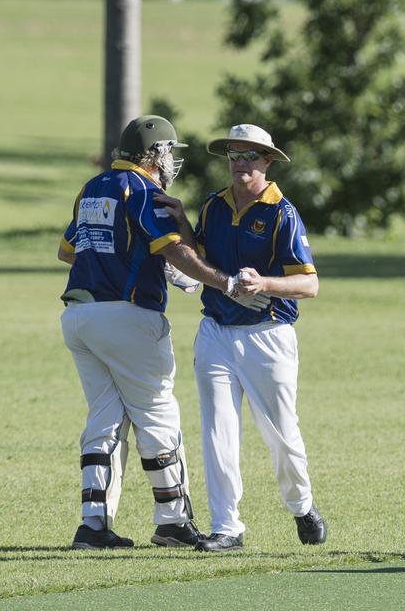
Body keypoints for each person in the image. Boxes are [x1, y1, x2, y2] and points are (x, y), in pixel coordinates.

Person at [58, 114, 261, 550]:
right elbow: (175, 249)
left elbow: (68, 251)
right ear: (156, 154)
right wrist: (224, 283)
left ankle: (92, 524)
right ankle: (172, 519)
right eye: (169, 152)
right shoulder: (146, 191)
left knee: (105, 418)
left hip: (78, 316)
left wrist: (141, 263)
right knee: (157, 414)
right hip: (129, 316)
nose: (172, 161)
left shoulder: (91, 187)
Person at [183, 123, 325, 553]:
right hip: (216, 332)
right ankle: (227, 526)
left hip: (269, 335)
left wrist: (264, 283)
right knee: (217, 430)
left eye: (250, 156)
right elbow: (200, 257)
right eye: (234, 155)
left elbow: (310, 285)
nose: (241, 164)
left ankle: (301, 504)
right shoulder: (213, 206)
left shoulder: (282, 212)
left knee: (281, 432)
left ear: (267, 161)